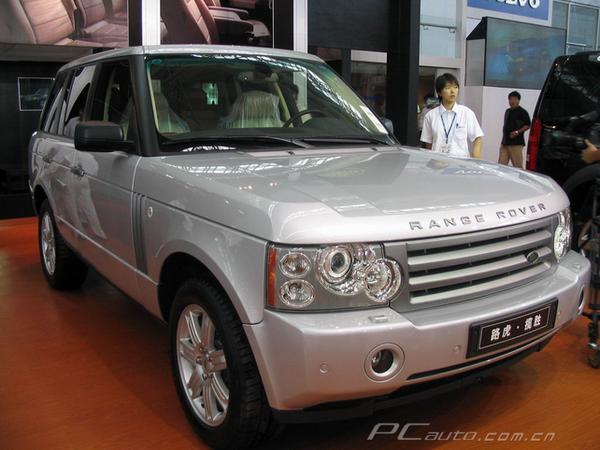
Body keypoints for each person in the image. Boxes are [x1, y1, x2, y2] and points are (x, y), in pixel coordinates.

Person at [420, 73, 484, 158]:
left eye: (455, 87)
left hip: (461, 163)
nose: (453, 91)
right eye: (448, 88)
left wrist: (475, 158)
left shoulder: (466, 113)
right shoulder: (430, 116)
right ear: (439, 92)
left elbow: (477, 137)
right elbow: (428, 143)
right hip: (438, 163)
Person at [498, 91, 531, 168]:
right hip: (505, 143)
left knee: (517, 166)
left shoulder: (523, 112)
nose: (512, 101)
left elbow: (528, 125)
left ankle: (520, 176)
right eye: (510, 99)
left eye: (514, 99)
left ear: (518, 100)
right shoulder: (507, 111)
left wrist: (517, 132)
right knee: (501, 165)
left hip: (516, 144)